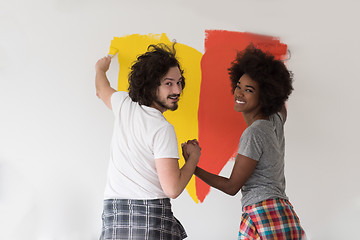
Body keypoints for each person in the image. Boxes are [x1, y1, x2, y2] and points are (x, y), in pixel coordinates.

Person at [183, 45, 305, 239]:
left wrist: (192, 166)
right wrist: (269, 71)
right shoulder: (274, 121)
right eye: (238, 86)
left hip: (264, 214)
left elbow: (232, 187)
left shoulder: (254, 133)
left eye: (249, 90)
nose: (239, 93)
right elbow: (280, 106)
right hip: (279, 213)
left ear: (265, 96)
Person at [95, 43, 201, 240]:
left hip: (114, 214)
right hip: (149, 218)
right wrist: (193, 159)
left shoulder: (124, 104)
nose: (177, 89)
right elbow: (173, 189)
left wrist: (100, 69)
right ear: (150, 85)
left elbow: (102, 89)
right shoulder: (162, 129)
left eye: (179, 82)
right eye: (168, 83)